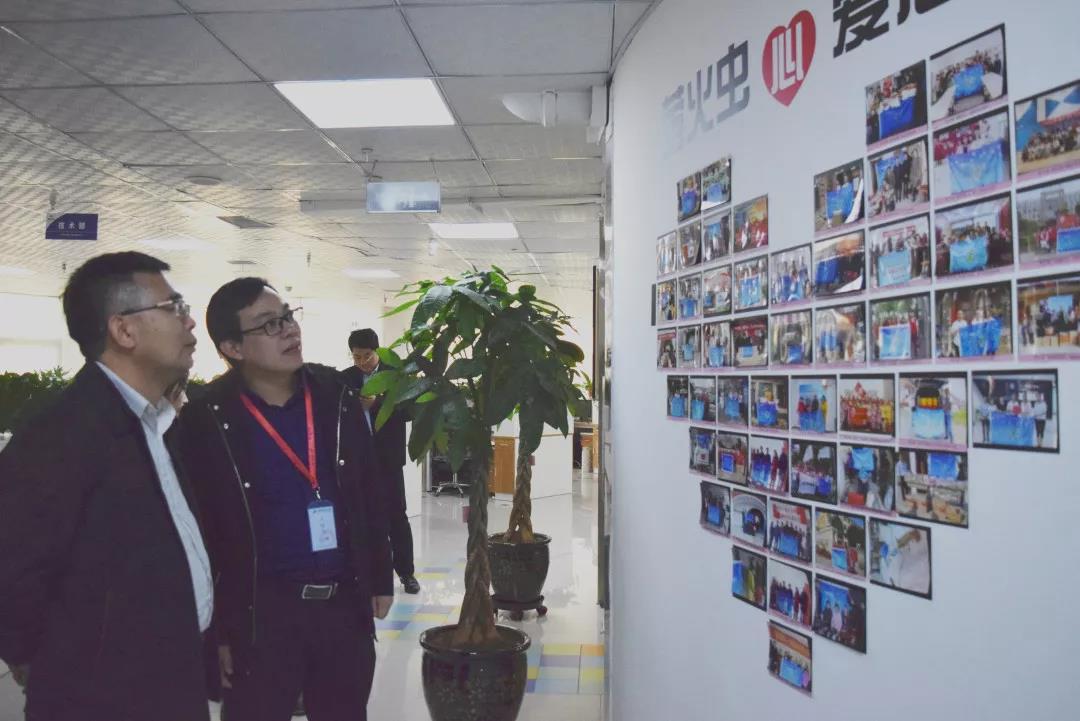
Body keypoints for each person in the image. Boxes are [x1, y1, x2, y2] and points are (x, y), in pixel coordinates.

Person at [0, 252, 213, 721]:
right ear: (124, 330)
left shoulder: (156, 423)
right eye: (174, 307)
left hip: (173, 676)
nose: (190, 321)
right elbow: (14, 576)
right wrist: (58, 665)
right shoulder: (61, 436)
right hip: (101, 696)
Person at [178, 278, 393, 721]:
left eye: (288, 317)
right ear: (233, 347)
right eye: (269, 324)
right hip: (261, 615)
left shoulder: (335, 395)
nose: (290, 330)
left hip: (342, 608)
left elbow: (369, 490)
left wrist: (380, 574)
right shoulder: (207, 418)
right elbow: (201, 532)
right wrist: (217, 631)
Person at [341, 328, 420, 595]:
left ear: (377, 351)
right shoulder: (346, 378)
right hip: (357, 460)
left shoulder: (396, 375)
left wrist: (377, 404)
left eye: (367, 356)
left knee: (396, 516)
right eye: (356, 357)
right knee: (362, 518)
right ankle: (368, 574)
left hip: (388, 459)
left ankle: (406, 573)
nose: (362, 362)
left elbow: (409, 411)